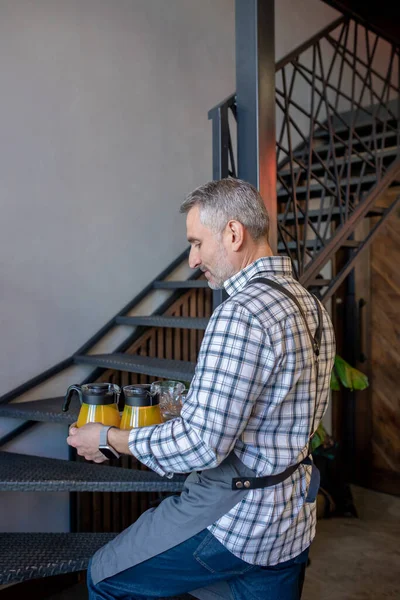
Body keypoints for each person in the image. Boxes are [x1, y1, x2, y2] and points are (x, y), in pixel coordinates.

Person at [67, 178, 335, 600]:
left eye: (196, 243)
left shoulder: (241, 314)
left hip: (237, 521)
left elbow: (202, 445)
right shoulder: (311, 305)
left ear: (233, 233)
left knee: (104, 577)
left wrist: (107, 438)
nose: (192, 259)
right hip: (291, 522)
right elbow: (280, 409)